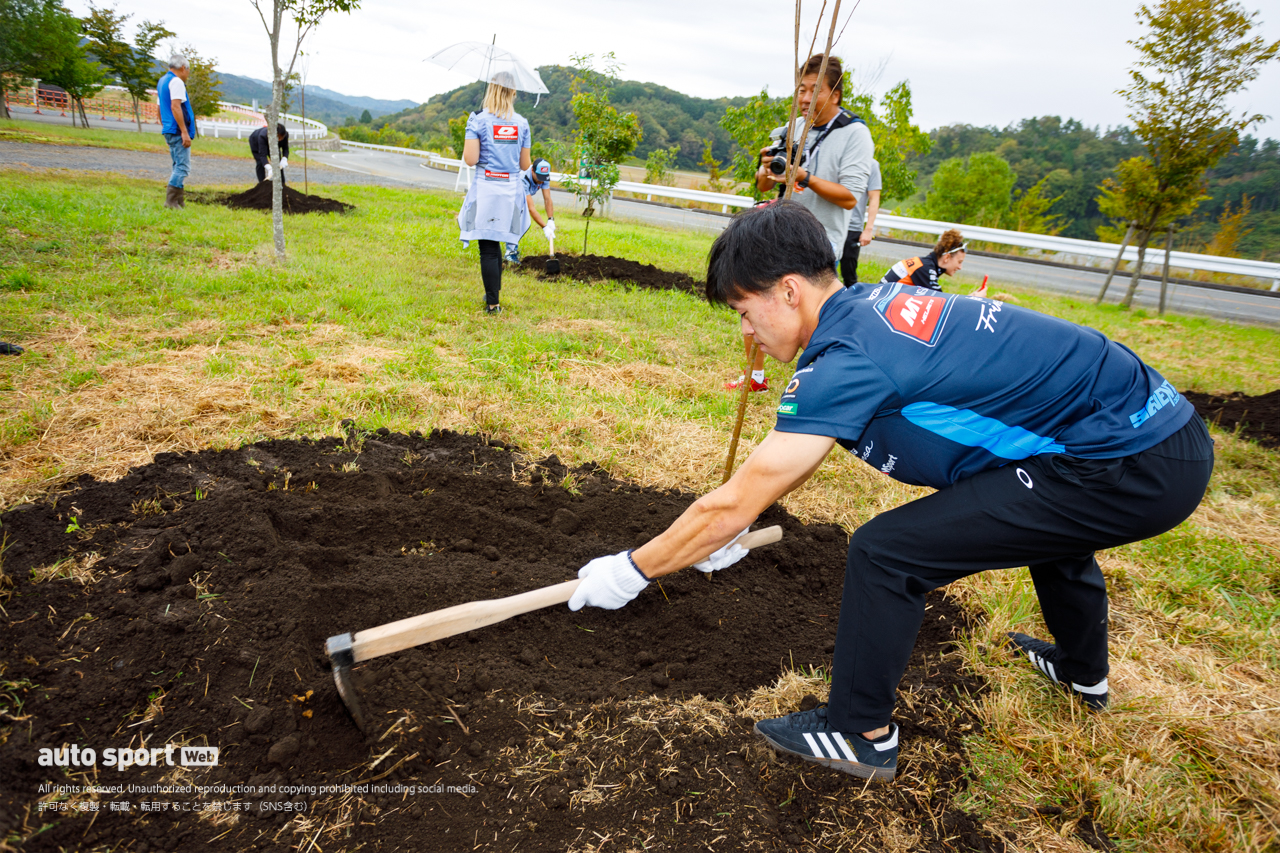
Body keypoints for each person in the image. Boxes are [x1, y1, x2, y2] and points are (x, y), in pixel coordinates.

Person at [566, 201, 1213, 782]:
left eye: (744, 310)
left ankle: (860, 731)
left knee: (886, 551)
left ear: (787, 291)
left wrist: (632, 569)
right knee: (1047, 519)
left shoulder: (847, 359)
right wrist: (727, 527)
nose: (746, 333)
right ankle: (1083, 672)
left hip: (1130, 458)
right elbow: (772, 478)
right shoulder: (873, 308)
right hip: (1157, 432)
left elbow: (733, 499)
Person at [729, 53, 873, 393]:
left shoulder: (854, 134)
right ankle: (755, 376)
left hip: (819, 243)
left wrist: (805, 177)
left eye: (814, 90)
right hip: (778, 234)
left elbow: (851, 197)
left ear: (835, 93)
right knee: (754, 303)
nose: (805, 98)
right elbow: (765, 184)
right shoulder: (790, 129)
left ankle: (820, 386)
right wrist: (767, 169)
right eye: (801, 90)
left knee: (814, 320)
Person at [458, 73, 532, 315]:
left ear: (491, 90)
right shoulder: (522, 123)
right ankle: (493, 296)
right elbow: (524, 165)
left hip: (486, 189)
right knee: (499, 240)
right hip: (510, 192)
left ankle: (493, 304)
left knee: (488, 247)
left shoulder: (477, 120)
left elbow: (470, 159)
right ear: (513, 92)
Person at [157, 55, 194, 210]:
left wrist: (165, 127)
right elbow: (175, 107)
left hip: (170, 129)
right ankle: (171, 201)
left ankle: (179, 200)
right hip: (177, 130)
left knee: (177, 164)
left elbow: (159, 109)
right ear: (183, 68)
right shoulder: (177, 81)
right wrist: (184, 132)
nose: (188, 74)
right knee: (182, 167)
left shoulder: (162, 81)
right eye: (188, 70)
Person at [504, 158, 555, 263]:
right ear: (532, 170)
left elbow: (547, 199)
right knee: (517, 218)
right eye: (539, 177)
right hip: (506, 195)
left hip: (519, 198)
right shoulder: (523, 178)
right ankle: (510, 252)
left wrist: (550, 219)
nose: (542, 181)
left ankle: (511, 248)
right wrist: (545, 228)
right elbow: (531, 208)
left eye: (544, 178)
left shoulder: (543, 177)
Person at [880, 229, 965, 291]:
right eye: (959, 262)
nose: (960, 267)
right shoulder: (924, 268)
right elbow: (943, 302)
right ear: (947, 257)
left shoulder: (925, 264)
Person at [841, 158, 881, 287]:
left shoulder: (871, 164)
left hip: (852, 227)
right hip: (829, 223)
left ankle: (852, 304)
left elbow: (874, 198)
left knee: (848, 273)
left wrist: (868, 230)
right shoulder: (838, 157)